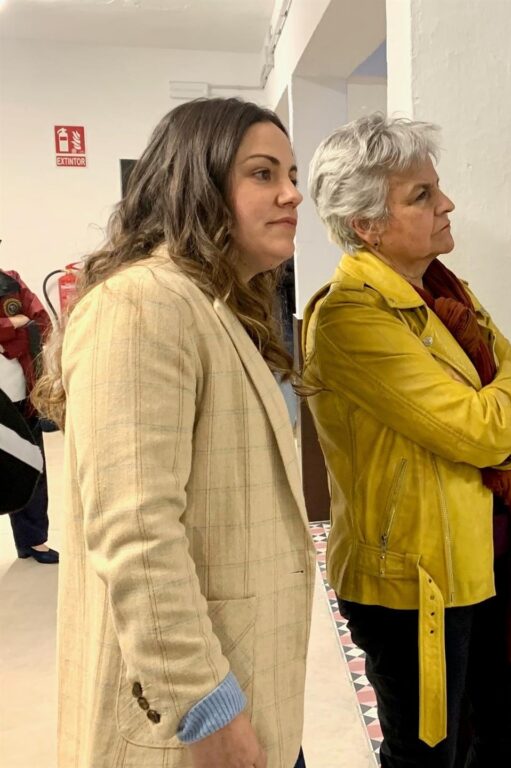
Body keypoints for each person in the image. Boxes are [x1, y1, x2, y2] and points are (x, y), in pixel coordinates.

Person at [32, 98, 314, 768]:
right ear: (197, 183)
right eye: (263, 174)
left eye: (291, 174)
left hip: (248, 679)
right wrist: (204, 705)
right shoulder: (142, 304)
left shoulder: (215, 305)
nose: (291, 194)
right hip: (194, 711)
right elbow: (136, 529)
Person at [302, 114, 511, 767]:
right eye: (422, 195)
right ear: (367, 224)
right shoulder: (351, 316)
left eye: (436, 188)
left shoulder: (445, 292)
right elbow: (481, 429)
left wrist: (510, 409)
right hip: (414, 583)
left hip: (489, 554)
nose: (447, 204)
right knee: (429, 754)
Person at [0, 268, 57, 563]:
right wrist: (11, 324)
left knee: (32, 467)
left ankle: (33, 540)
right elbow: (21, 324)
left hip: (21, 394)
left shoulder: (9, 280)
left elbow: (40, 322)